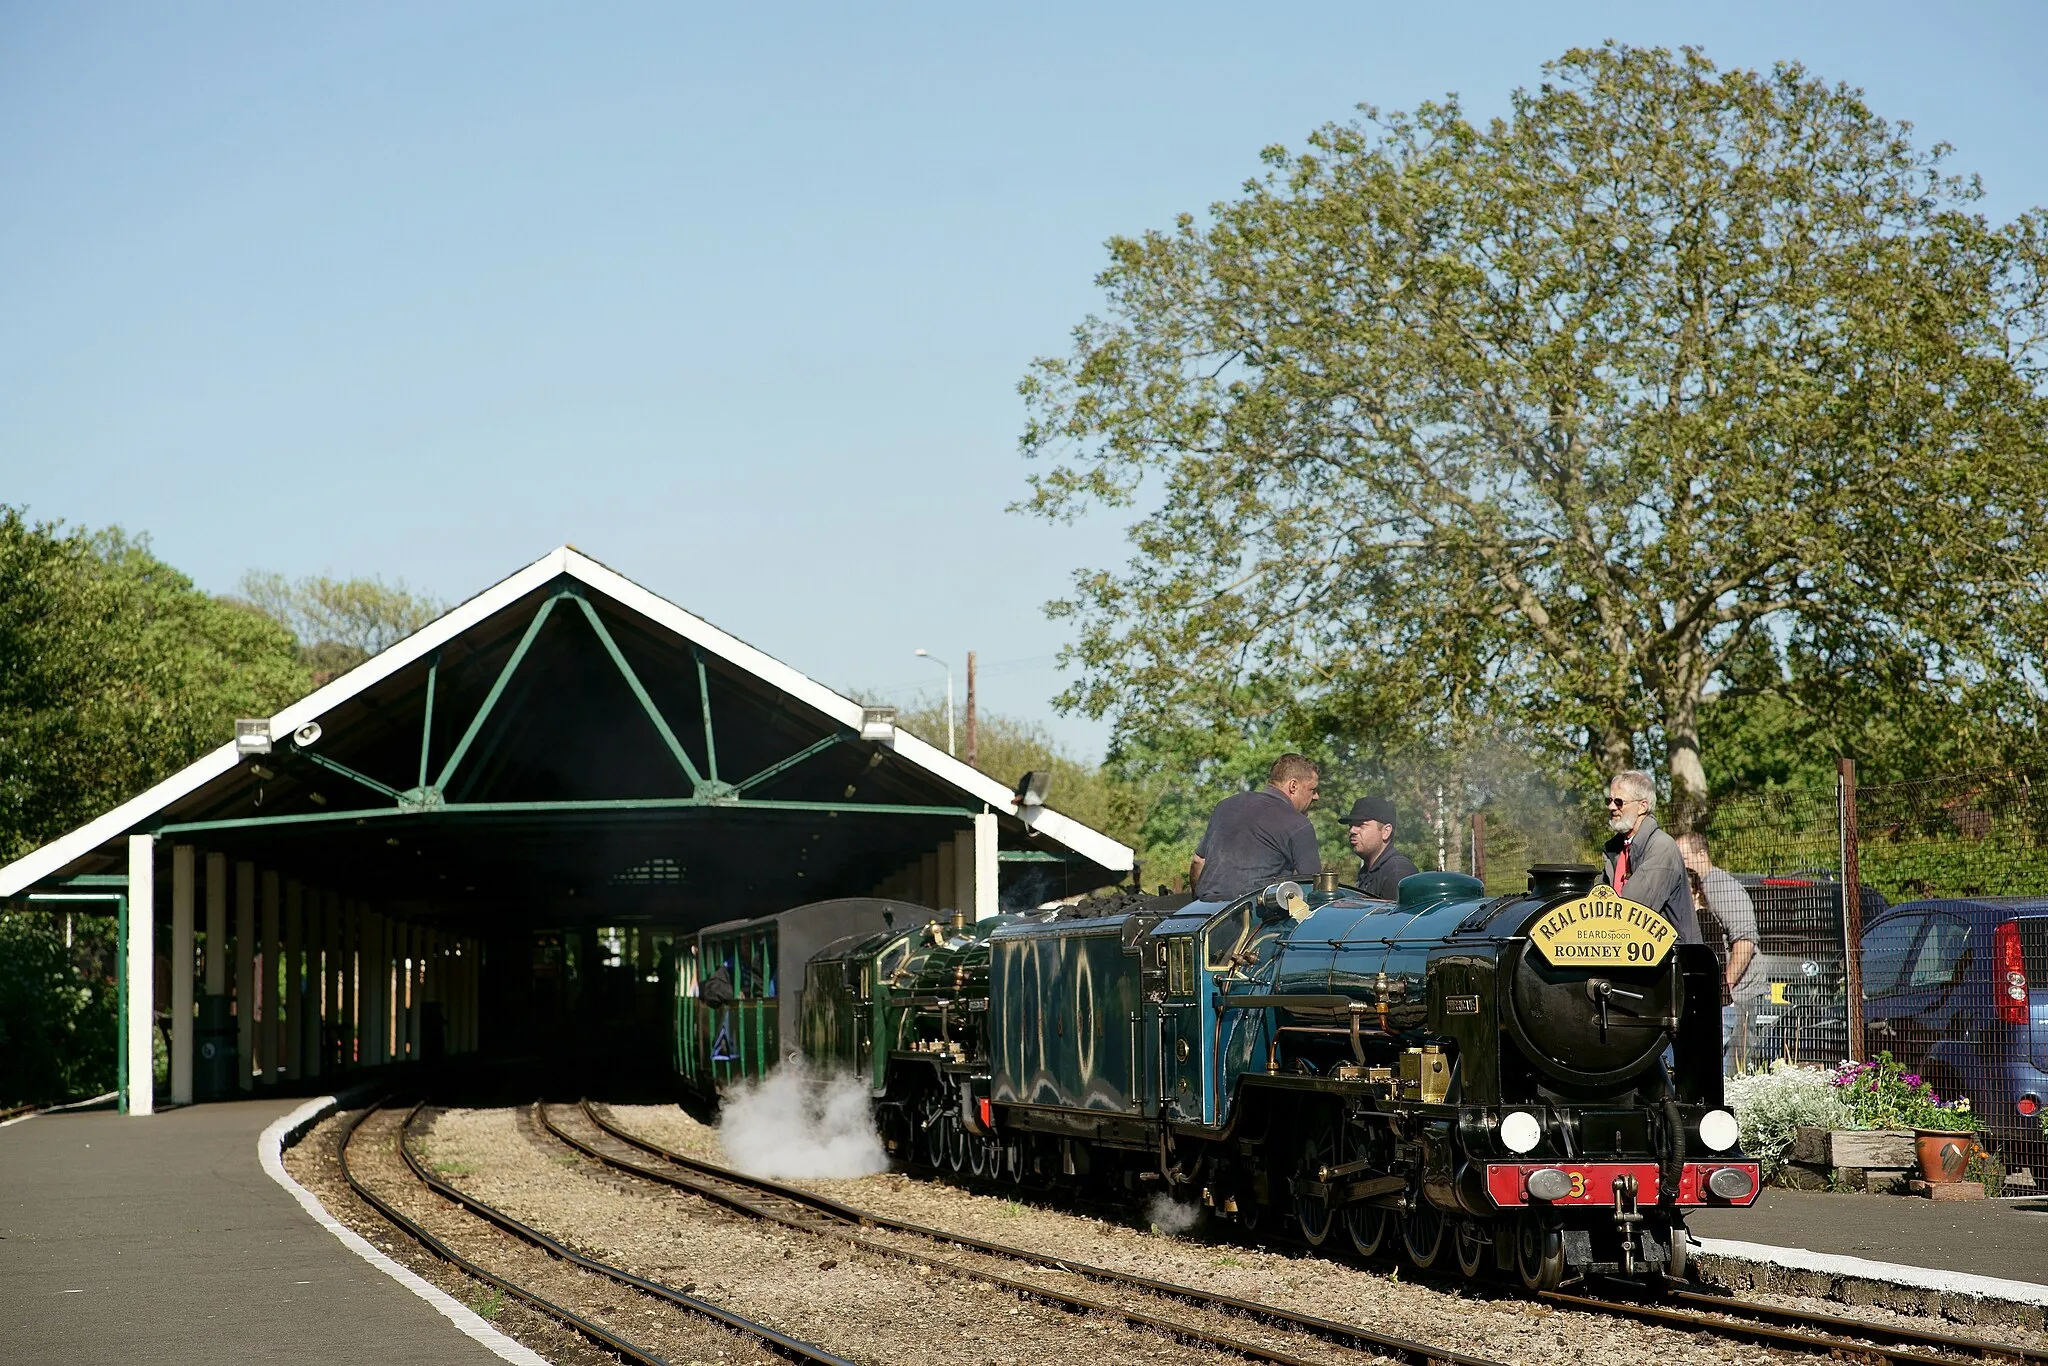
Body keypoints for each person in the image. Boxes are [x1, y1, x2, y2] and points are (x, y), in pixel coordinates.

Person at [1677, 832, 1766, 1074]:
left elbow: (1745, 940)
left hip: (1738, 994)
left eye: (1682, 857)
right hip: (1722, 997)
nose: (1678, 863)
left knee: (1733, 1068)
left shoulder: (1721, 888)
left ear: (1702, 855)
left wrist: (1723, 983)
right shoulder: (1700, 888)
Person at [1188, 754, 1322, 902]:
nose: (1316, 797)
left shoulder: (1225, 806)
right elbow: (1313, 888)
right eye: (1313, 789)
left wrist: (1197, 902)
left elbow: (1198, 861)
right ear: (1293, 786)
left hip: (1206, 912)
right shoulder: (1298, 824)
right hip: (1256, 917)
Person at [1599, 770, 1703, 945]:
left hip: (1669, 961)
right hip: (1629, 953)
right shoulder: (1615, 850)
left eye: (1619, 802)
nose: (1611, 807)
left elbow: (1633, 910)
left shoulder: (1662, 848)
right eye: (1609, 801)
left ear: (1642, 806)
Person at [1343, 796, 1419, 899]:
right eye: (1350, 825)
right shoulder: (1367, 871)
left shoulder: (1397, 872)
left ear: (1386, 831)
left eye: (1361, 825)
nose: (1352, 830)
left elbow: (1398, 915)